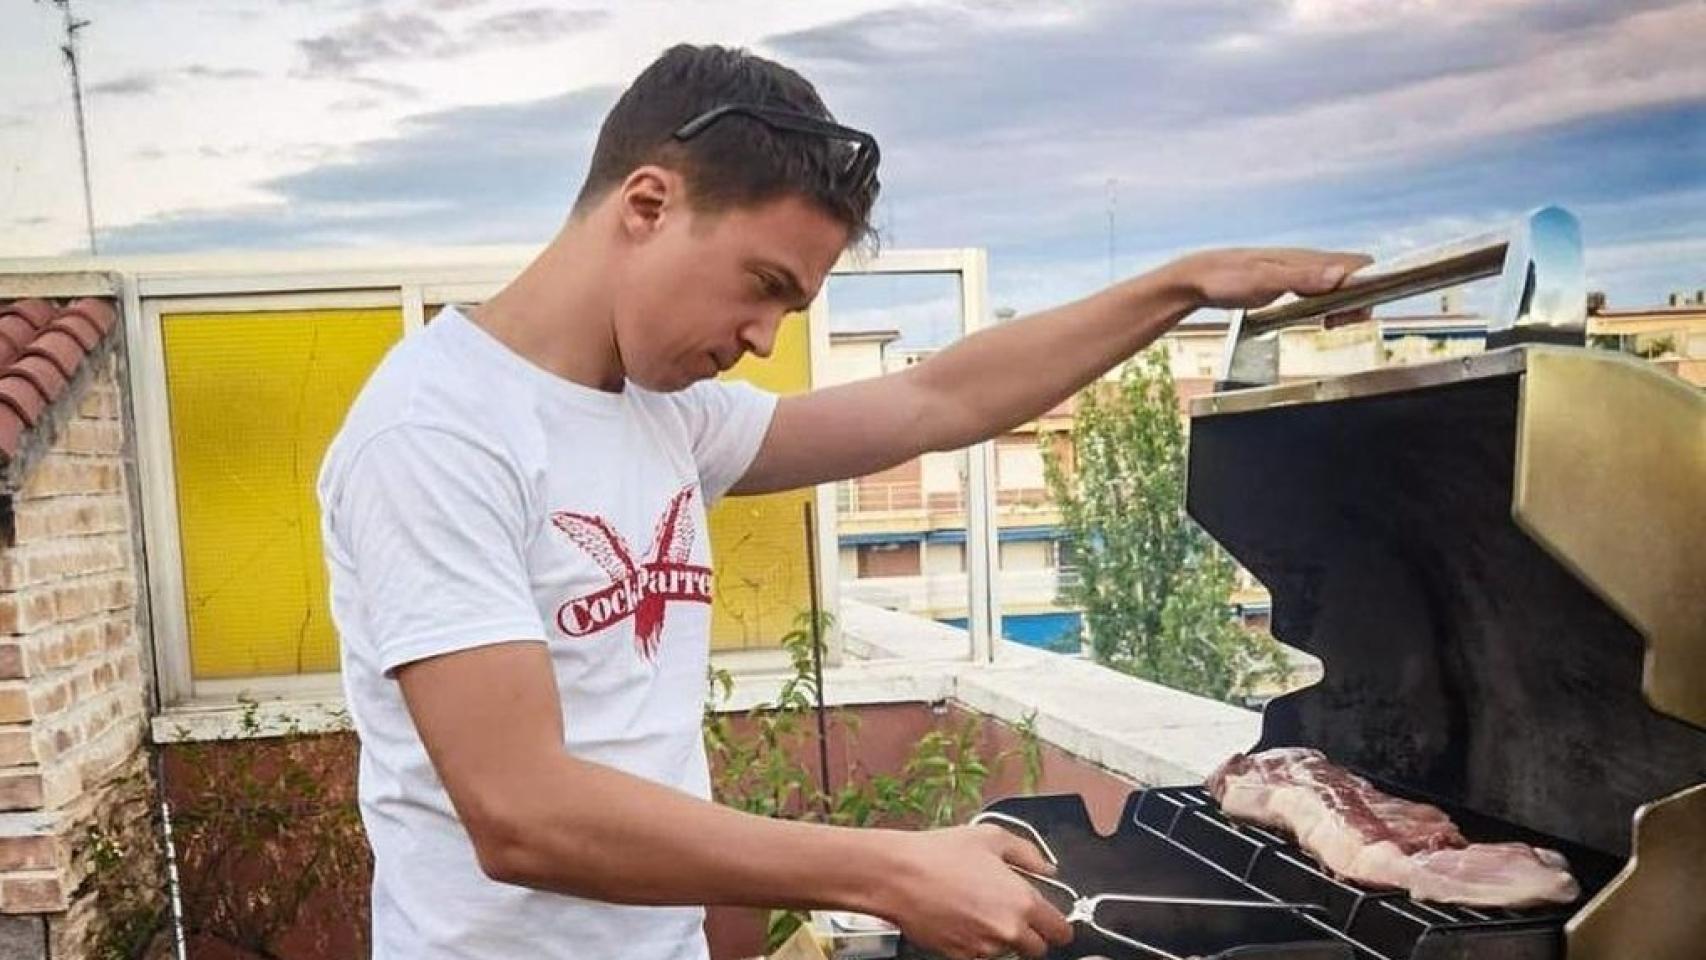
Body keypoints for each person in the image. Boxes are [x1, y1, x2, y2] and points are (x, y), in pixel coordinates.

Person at [316, 42, 1367, 960]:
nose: (765, 338)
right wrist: (885, 871)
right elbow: (523, 813)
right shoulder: (438, 431)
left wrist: (1174, 287)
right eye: (762, 283)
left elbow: (936, 397)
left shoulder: (659, 414)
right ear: (647, 205)